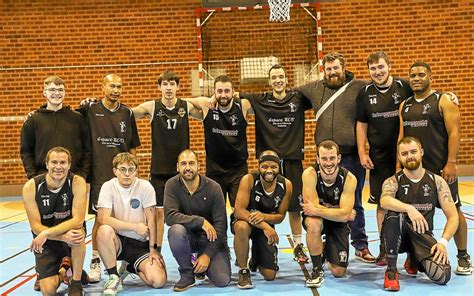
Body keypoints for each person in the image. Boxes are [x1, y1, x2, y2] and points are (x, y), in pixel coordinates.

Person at [299, 52, 375, 262]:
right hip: (325, 158)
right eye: (329, 69)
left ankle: (360, 245)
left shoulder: (360, 86)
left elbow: (389, 87)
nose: (332, 72)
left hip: (350, 156)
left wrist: (446, 95)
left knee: (355, 201)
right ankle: (322, 241)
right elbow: (286, 96)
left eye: (336, 68)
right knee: (321, 200)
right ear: (324, 70)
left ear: (344, 68)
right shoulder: (313, 89)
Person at [399, 61, 472, 276]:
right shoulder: (405, 105)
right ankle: (415, 257)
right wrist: (398, 167)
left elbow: (455, 133)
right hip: (414, 172)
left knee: (454, 211)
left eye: (421, 74)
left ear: (430, 76)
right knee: (416, 216)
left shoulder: (444, 100)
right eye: (412, 75)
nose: (416, 78)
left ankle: (463, 255)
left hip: (441, 170)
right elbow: (401, 139)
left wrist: (451, 162)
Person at [20, 75, 91, 291]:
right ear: (44, 92)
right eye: (51, 89)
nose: (56, 93)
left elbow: (87, 150)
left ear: (65, 92)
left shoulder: (77, 118)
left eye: (60, 89)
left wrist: (81, 176)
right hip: (44, 181)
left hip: (71, 181)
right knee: (44, 224)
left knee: (76, 228)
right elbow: (26, 151)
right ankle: (47, 271)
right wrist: (34, 177)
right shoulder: (34, 119)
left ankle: (75, 272)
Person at [238, 64, 312, 263]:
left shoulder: (298, 98)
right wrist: (211, 98)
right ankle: (259, 247)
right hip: (268, 164)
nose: (278, 80)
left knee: (295, 208)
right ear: (269, 81)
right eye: (274, 77)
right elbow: (233, 96)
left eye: (281, 76)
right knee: (263, 206)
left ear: (286, 79)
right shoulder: (260, 100)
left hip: (293, 159)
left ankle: (298, 246)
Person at [78, 74, 141, 283]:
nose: (116, 89)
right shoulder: (90, 110)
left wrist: (134, 172)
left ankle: (125, 259)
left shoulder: (127, 113)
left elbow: (132, 146)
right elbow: (68, 116)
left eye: (119, 86)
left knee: (127, 216)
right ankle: (95, 260)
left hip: (124, 176)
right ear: (103, 87)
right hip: (100, 175)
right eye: (112, 85)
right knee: (100, 219)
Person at [132, 70, 202, 259]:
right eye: (165, 84)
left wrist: (201, 100)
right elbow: (129, 114)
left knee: (188, 212)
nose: (168, 88)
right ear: (159, 87)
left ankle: (193, 251)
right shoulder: (152, 107)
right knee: (158, 215)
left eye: (172, 84)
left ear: (178, 87)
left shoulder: (185, 106)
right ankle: (156, 252)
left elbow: (206, 114)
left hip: (183, 171)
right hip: (160, 170)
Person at [356, 51, 413, 265]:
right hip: (378, 157)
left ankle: (411, 253)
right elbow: (361, 125)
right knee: (382, 203)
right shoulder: (364, 93)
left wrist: (449, 96)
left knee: (409, 202)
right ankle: (383, 247)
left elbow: (425, 95)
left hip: (405, 154)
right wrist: (362, 152)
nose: (377, 72)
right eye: (373, 68)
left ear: (389, 65)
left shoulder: (403, 86)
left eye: (381, 67)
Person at [380, 137, 459, 291]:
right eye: (404, 153)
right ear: (399, 157)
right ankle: (391, 270)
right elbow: (384, 200)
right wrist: (409, 209)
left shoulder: (437, 181)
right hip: (398, 234)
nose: (409, 156)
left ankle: (414, 259)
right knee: (393, 214)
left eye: (413, 152)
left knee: (442, 275)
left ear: (421, 152)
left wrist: (443, 242)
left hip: (422, 235)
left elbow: (453, 216)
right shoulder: (393, 181)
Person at [96, 152, 166, 295]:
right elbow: (103, 219)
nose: (127, 174)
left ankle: (130, 268)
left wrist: (154, 250)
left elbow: (152, 221)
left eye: (131, 169)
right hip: (118, 242)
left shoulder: (145, 187)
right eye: (122, 169)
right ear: (115, 171)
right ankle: (114, 276)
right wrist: (134, 227)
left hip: (139, 244)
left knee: (159, 281)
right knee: (103, 230)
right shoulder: (108, 187)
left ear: (136, 171)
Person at [22, 147, 88, 296]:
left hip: (68, 234)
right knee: (48, 291)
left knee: (78, 233)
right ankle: (65, 268)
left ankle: (76, 283)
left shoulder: (77, 182)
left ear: (69, 165)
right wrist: (56, 236)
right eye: (54, 162)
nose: (58, 166)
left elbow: (78, 220)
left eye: (63, 162)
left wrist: (48, 233)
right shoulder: (31, 187)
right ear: (47, 164)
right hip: (47, 240)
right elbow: (35, 226)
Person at [164, 149, 231, 292]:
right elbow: (170, 216)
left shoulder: (214, 188)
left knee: (222, 280)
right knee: (175, 231)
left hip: (210, 240)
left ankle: (202, 263)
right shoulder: (171, 185)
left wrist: (207, 255)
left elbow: (221, 226)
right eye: (183, 164)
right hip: (187, 236)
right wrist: (200, 221)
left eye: (191, 163)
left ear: (198, 166)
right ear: (177, 167)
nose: (187, 167)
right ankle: (188, 274)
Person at [183, 75, 251, 208]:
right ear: (214, 92)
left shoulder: (243, 105)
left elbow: (262, 101)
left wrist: (219, 96)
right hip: (215, 170)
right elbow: (179, 101)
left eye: (227, 91)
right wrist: (211, 98)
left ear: (233, 91)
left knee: (240, 213)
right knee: (214, 212)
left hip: (238, 170)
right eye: (219, 91)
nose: (223, 95)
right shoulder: (206, 105)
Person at [301, 140, 357, 288]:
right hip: (320, 220)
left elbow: (344, 216)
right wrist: (340, 211)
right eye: (324, 158)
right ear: (317, 159)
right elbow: (310, 211)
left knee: (339, 272)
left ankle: (324, 249)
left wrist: (319, 209)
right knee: (313, 222)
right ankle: (317, 269)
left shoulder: (349, 179)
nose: (328, 163)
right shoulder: (309, 174)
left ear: (338, 158)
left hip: (338, 223)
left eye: (332, 158)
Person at [233, 150, 292, 289]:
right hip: (247, 222)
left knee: (270, 275)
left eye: (273, 166)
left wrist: (263, 216)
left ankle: (256, 258)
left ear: (279, 167)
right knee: (241, 227)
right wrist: (265, 226)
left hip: (266, 227)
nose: (269, 170)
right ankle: (243, 270)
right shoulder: (249, 180)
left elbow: (281, 216)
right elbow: (238, 211)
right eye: (265, 166)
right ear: (259, 167)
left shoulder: (286, 185)